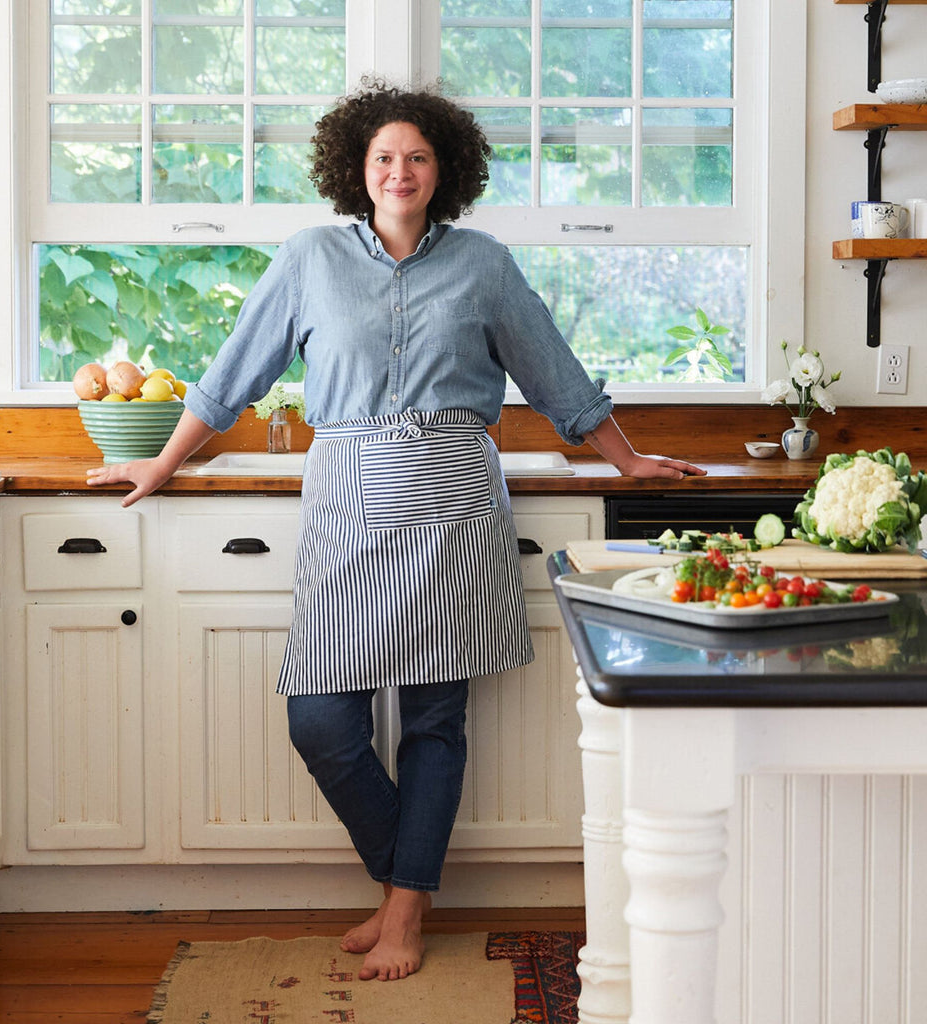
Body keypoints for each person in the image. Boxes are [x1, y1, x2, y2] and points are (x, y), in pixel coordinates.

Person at [87, 77, 705, 983]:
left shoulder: (484, 264)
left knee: (433, 719)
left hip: (452, 495)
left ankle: (405, 910)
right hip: (344, 498)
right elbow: (232, 377)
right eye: (383, 156)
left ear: (442, 169)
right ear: (356, 168)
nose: (399, 170)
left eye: (417, 156)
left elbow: (556, 375)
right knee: (322, 719)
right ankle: (401, 877)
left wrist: (629, 460)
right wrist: (161, 462)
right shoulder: (309, 258)